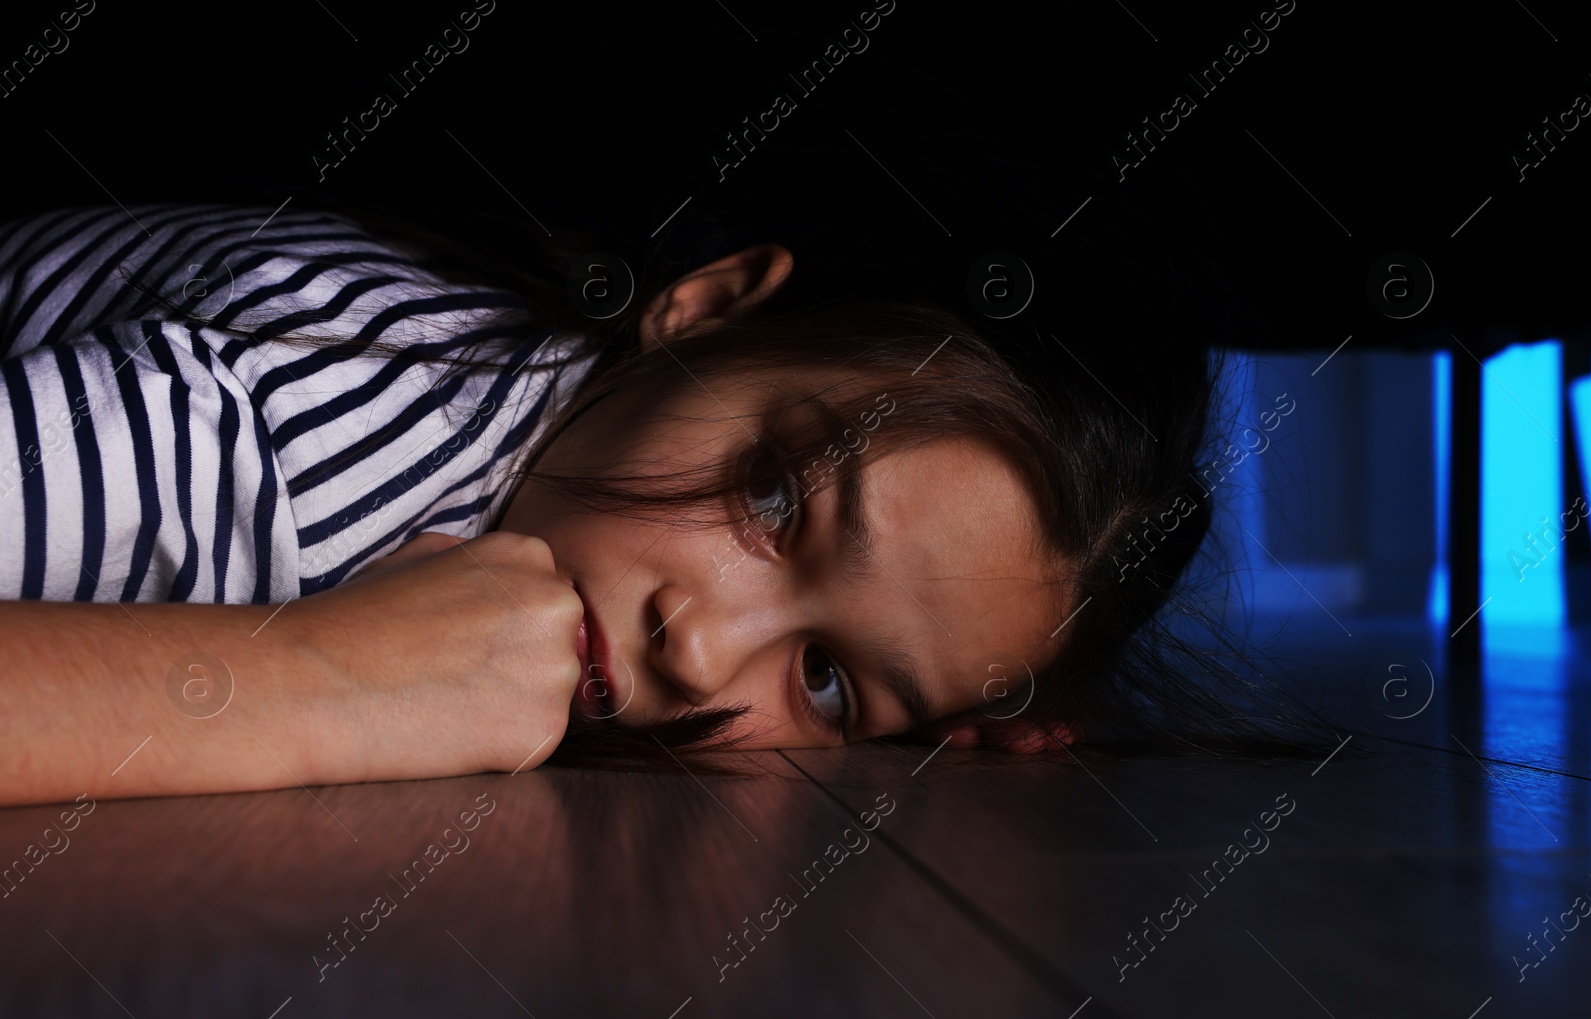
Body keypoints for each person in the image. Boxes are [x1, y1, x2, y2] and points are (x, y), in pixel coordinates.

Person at [0, 200, 1317, 808]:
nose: (700, 655)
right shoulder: (293, 439)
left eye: (830, 681)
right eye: (767, 499)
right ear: (705, 308)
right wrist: (315, 682)